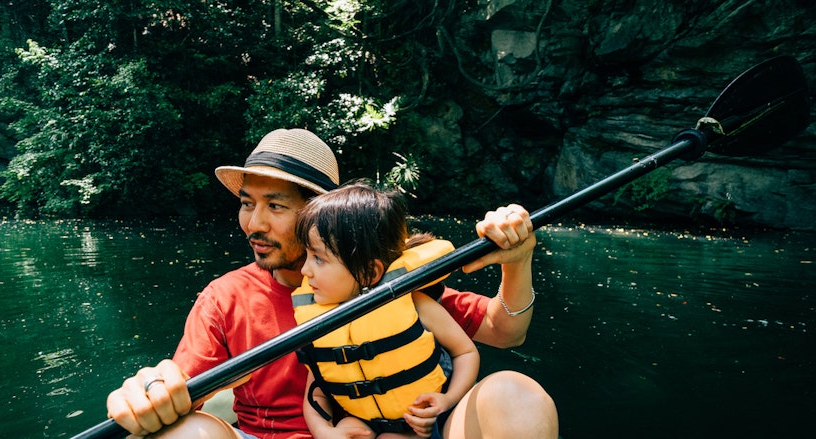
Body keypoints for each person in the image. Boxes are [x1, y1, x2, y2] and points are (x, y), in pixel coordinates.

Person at [106, 128, 558, 439]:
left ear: (320, 214)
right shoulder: (225, 297)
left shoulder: (385, 280)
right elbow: (183, 394)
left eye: (276, 207)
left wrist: (517, 260)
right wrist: (149, 393)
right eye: (247, 204)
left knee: (516, 395)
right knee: (182, 430)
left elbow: (506, 331)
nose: (253, 224)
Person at [293, 181, 480, 439]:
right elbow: (316, 391)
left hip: (423, 426)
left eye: (318, 258)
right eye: (306, 256)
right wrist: (325, 432)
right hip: (365, 427)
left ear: (370, 272)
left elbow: (466, 352)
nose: (305, 270)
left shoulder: (415, 304)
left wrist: (447, 399)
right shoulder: (321, 321)